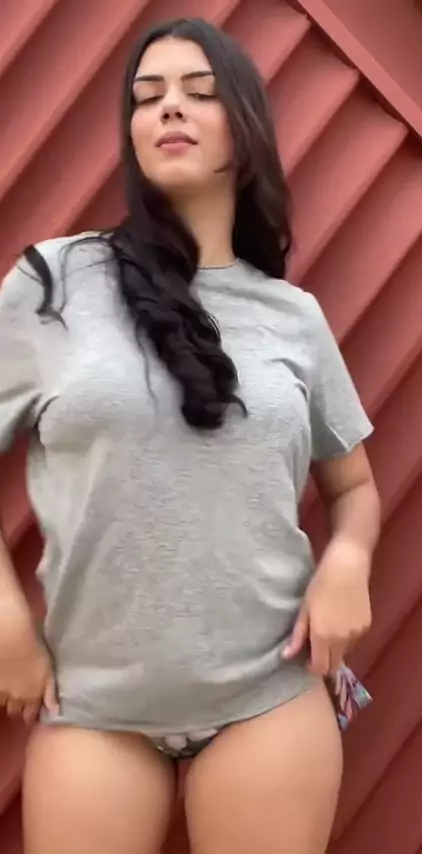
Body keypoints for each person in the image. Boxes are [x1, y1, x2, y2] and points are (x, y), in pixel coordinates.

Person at [0, 17, 381, 854]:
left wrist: (349, 561)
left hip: (268, 697)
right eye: (148, 97)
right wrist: (5, 618)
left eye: (199, 93)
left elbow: (352, 486)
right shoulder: (51, 284)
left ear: (245, 130)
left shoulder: (294, 317)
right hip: (91, 706)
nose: (169, 107)